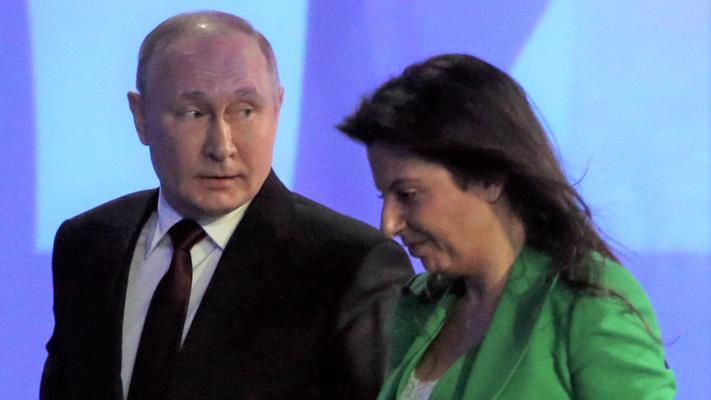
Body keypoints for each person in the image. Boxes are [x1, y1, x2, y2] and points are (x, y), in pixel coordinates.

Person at [40, 11, 413, 400]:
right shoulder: (87, 243)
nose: (222, 147)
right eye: (194, 113)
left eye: (245, 111)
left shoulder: (349, 265)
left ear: (277, 109)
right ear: (141, 117)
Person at [337, 54, 676, 399]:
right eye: (384, 197)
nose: (389, 224)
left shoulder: (587, 302)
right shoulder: (420, 303)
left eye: (408, 195)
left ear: (489, 178)